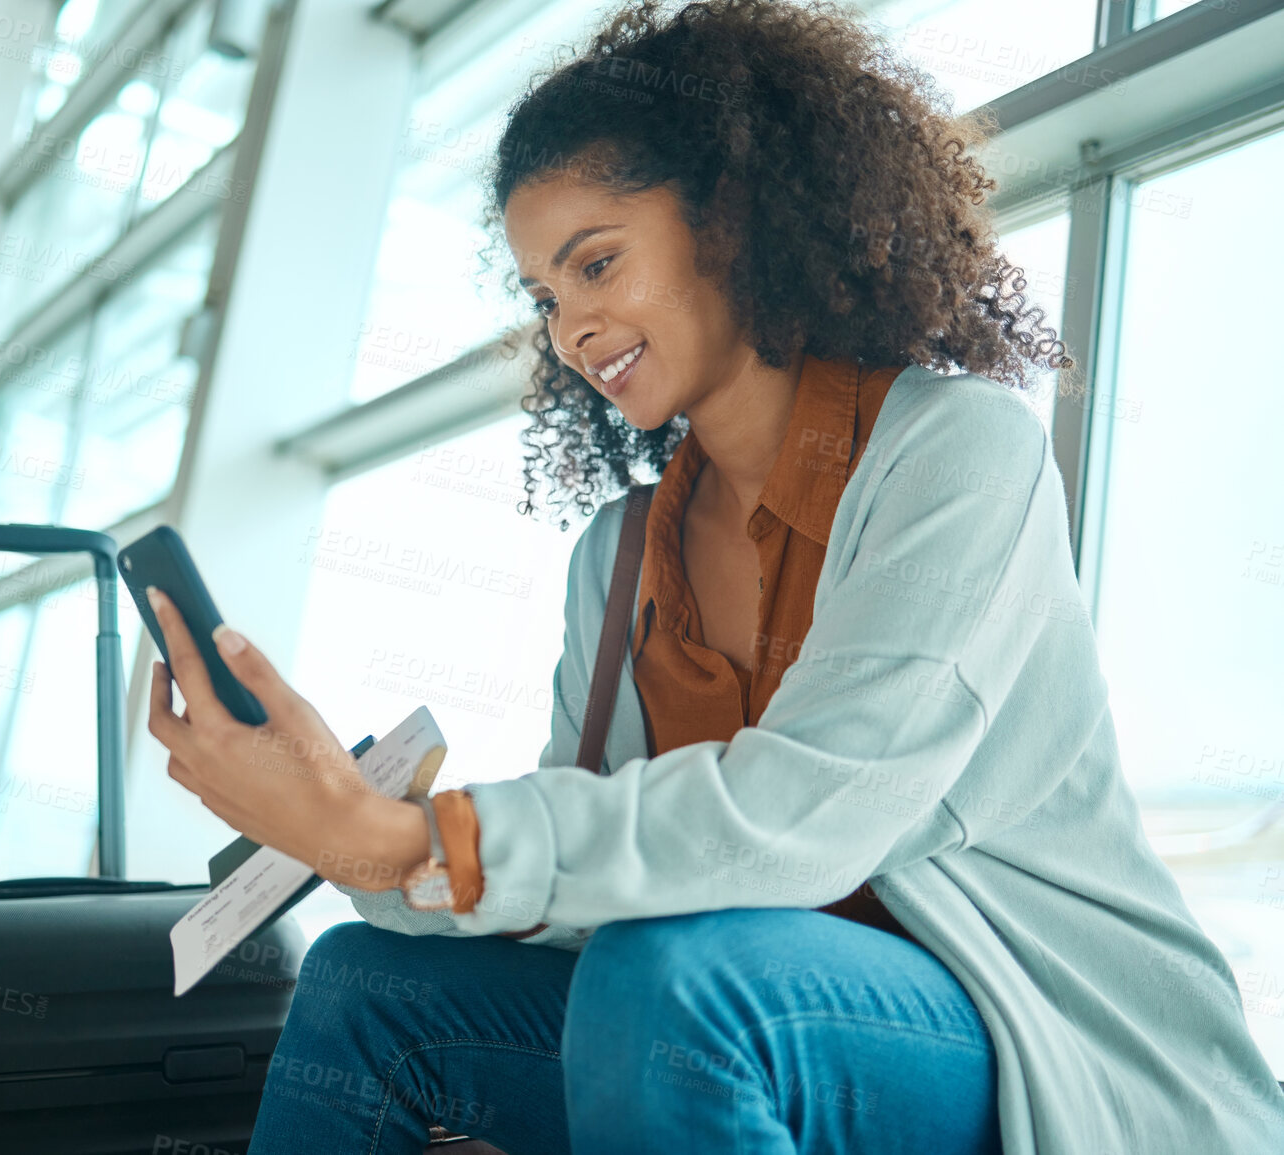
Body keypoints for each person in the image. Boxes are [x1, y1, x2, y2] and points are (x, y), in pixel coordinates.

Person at [143, 1, 1284, 1151]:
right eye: (547, 298)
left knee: (679, 974)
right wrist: (351, 827)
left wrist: (409, 841)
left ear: (730, 221)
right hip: (739, 1022)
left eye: (597, 264)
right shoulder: (621, 556)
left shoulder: (960, 456)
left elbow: (808, 819)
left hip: (1026, 1040)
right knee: (364, 983)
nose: (574, 329)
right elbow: (593, 886)